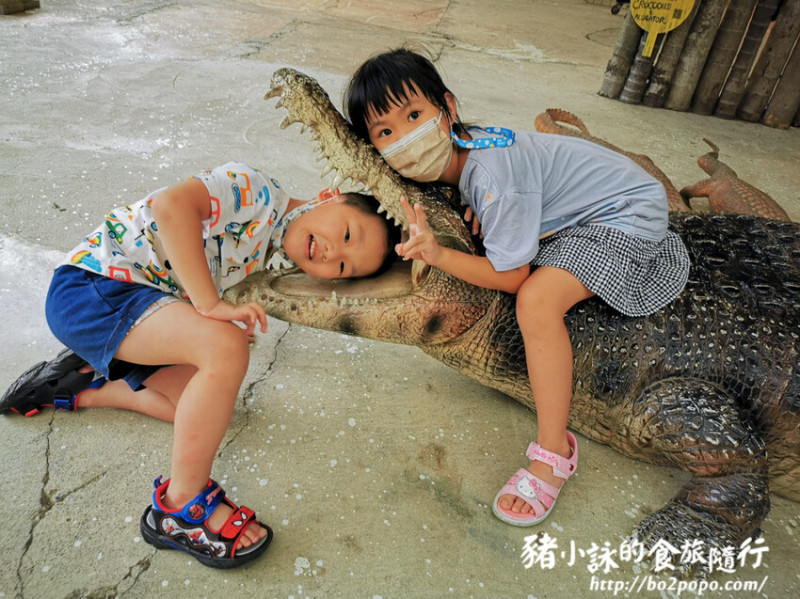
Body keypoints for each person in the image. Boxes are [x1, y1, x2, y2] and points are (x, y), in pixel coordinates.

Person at [344, 48, 690, 527]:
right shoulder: (468, 152)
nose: (405, 136)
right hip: (588, 205)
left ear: (448, 107)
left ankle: (553, 453)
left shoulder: (494, 179)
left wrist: (439, 254)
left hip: (625, 213)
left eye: (414, 115)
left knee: (536, 301)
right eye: (384, 132)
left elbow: (512, 277)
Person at [0, 162, 397, 567]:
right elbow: (170, 207)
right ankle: (179, 508)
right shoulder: (256, 190)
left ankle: (84, 386)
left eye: (342, 268)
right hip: (94, 289)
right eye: (347, 234)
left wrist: (205, 324)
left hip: (137, 309)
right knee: (226, 350)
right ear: (330, 196)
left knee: (201, 412)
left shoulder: (273, 250)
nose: (333, 253)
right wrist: (209, 309)